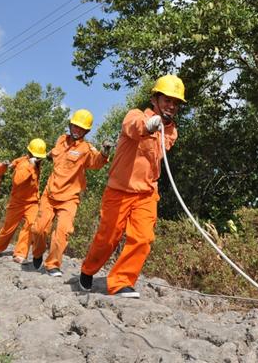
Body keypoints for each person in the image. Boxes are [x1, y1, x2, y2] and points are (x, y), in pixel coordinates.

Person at [78, 74, 185, 298]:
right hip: (119, 190)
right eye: (167, 100)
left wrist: (160, 126)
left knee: (143, 238)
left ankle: (121, 282)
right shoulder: (135, 115)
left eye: (176, 103)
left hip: (146, 193)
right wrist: (148, 125)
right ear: (155, 99)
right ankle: (88, 269)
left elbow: (160, 149)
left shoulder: (171, 131)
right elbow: (133, 127)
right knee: (108, 239)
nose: (172, 106)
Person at [31, 109, 112, 277]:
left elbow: (96, 162)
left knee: (63, 231)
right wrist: (42, 157)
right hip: (50, 194)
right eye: (75, 126)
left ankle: (53, 264)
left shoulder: (86, 149)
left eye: (81, 129)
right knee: (39, 230)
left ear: (86, 131)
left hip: (69, 198)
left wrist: (104, 152)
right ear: (70, 125)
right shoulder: (61, 140)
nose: (77, 130)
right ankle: (37, 253)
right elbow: (54, 153)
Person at [0, 138, 47, 263]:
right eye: (36, 156)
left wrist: (11, 164)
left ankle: (20, 254)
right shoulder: (25, 165)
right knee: (9, 228)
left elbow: (17, 160)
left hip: (32, 202)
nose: (38, 159)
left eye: (40, 157)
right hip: (17, 202)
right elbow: (17, 180)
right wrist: (30, 166)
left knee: (31, 226)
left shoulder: (25, 160)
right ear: (30, 154)